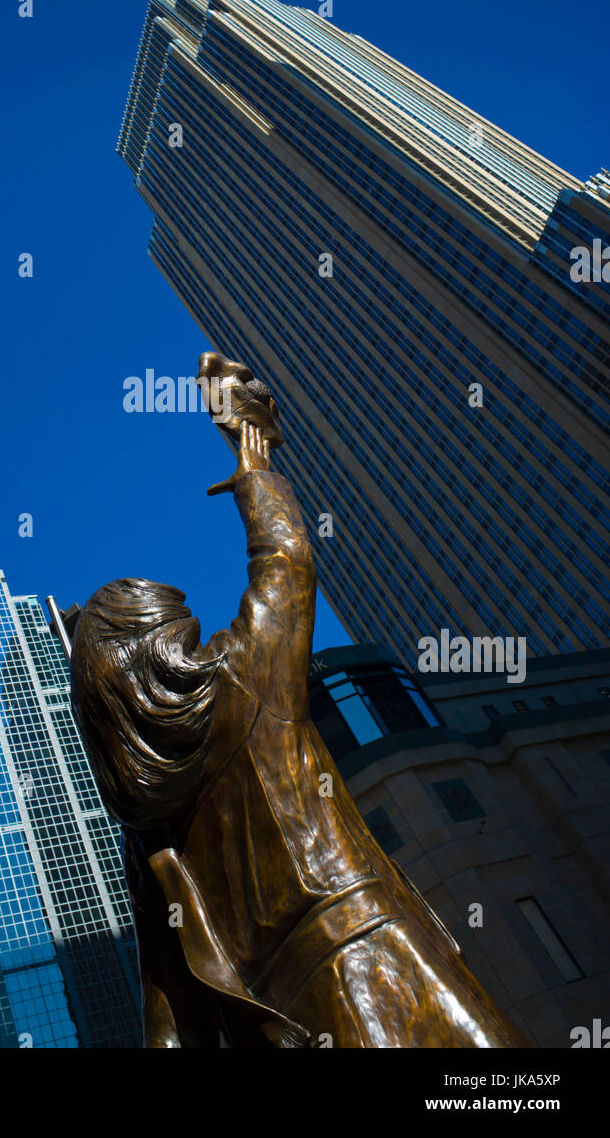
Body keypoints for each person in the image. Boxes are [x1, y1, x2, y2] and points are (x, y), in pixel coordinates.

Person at [70, 410, 526, 1048]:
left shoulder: (147, 833)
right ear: (157, 636)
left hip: (284, 1027)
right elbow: (286, 562)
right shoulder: (241, 677)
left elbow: (169, 1022)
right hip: (376, 961)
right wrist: (255, 474)